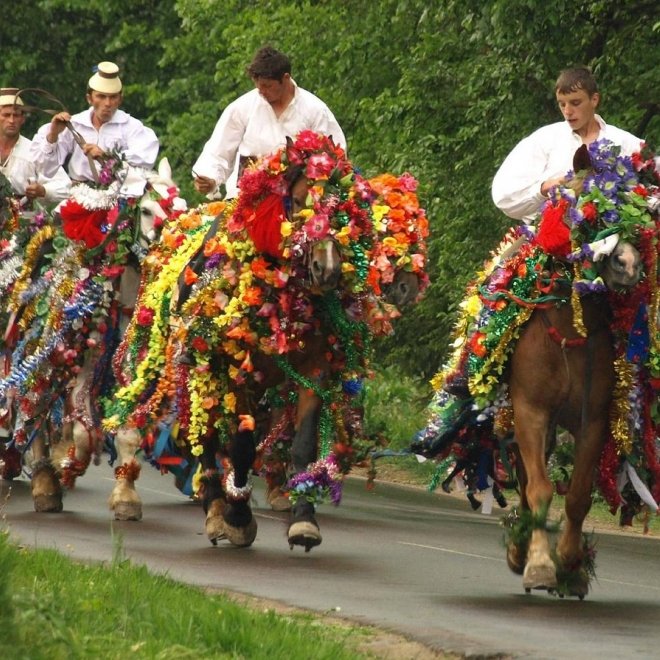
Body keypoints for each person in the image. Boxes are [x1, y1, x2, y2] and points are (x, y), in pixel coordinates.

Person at [491, 66, 643, 224]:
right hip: (553, 243)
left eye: (575, 103)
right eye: (562, 104)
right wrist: (544, 188)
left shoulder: (625, 142)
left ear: (594, 100)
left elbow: (652, 181)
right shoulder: (544, 139)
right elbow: (504, 197)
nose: (568, 111)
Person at [193, 46, 346, 199]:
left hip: (300, 203)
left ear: (285, 78)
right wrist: (209, 178)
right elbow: (218, 151)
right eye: (258, 85)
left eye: (267, 86)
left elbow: (335, 155)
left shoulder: (315, 110)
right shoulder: (241, 108)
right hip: (246, 201)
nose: (261, 91)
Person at [30, 62, 159, 194]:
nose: (107, 103)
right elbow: (45, 169)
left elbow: (145, 160)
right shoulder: (75, 124)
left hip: (120, 198)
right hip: (80, 197)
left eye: (113, 97)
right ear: (89, 98)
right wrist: (53, 135)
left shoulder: (131, 127)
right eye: (101, 96)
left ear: (120, 99)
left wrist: (107, 157)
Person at [0, 88, 70, 207]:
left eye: (16, 115)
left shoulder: (33, 151)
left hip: (23, 220)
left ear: (22, 119)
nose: (11, 120)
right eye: (6, 115)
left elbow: (65, 186)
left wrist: (44, 190)